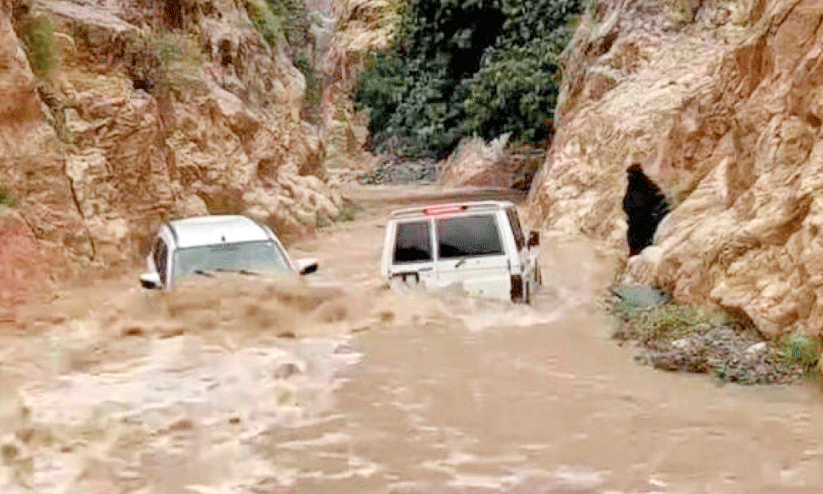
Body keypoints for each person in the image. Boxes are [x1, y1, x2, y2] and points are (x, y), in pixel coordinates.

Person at [622, 163, 669, 256]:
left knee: (644, 245)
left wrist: (653, 215)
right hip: (636, 223)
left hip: (646, 223)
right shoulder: (633, 186)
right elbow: (626, 203)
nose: (630, 177)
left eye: (632, 174)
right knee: (635, 244)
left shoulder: (647, 185)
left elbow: (660, 199)